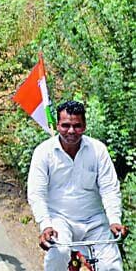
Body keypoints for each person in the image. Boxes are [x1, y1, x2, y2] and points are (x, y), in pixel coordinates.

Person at [27, 101, 128, 271]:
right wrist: (46, 225)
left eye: (77, 126)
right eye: (66, 125)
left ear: (85, 126)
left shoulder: (98, 150)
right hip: (60, 220)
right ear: (57, 125)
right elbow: (37, 193)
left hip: (95, 220)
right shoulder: (44, 152)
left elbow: (109, 188)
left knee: (111, 265)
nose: (71, 131)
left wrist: (114, 220)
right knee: (58, 253)